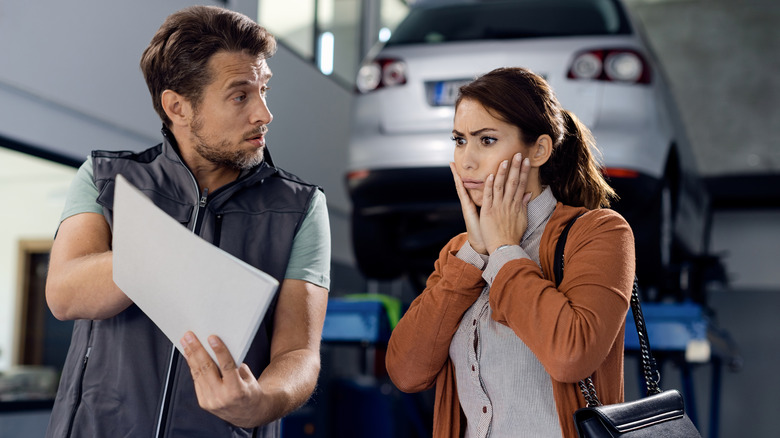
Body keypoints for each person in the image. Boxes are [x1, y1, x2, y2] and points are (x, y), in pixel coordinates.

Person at [44, 6, 330, 438]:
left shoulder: (301, 207)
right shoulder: (105, 179)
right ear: (177, 106)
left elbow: (298, 353)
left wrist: (260, 404)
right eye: (240, 95)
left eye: (264, 90)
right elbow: (66, 295)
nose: (263, 114)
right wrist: (169, 248)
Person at [385, 67, 636, 437]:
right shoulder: (459, 252)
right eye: (459, 140)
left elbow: (571, 356)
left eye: (486, 140)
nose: (467, 160)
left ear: (538, 150)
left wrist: (504, 250)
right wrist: (474, 252)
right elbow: (405, 372)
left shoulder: (600, 232)